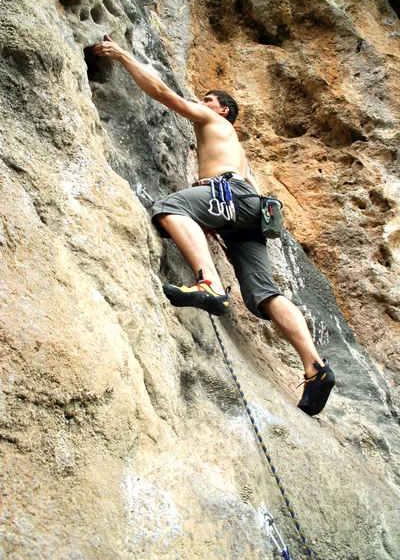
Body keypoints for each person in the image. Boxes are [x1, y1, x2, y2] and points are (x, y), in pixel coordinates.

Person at [93, 35, 335, 416]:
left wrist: (122, 55)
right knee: (264, 294)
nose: (201, 103)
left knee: (170, 208)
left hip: (227, 194)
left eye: (208, 99)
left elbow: (162, 93)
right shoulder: (236, 149)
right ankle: (315, 368)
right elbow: (247, 195)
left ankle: (209, 283)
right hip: (250, 210)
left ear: (223, 110)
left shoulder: (211, 119)